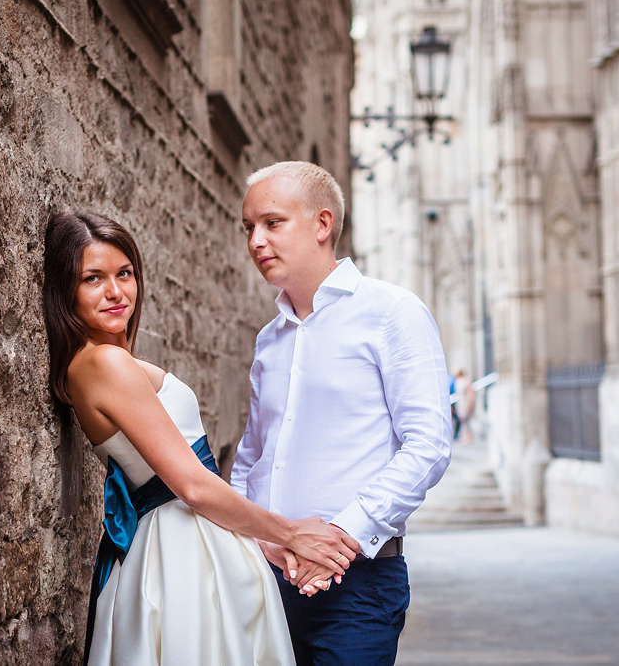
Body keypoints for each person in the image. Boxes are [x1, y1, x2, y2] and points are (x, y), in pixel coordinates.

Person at [42, 211, 361, 665]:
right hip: (181, 551)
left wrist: (258, 538)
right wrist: (290, 534)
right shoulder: (102, 364)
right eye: (93, 278)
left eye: (125, 273)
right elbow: (191, 484)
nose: (116, 292)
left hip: (197, 537)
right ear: (65, 289)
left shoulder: (107, 358)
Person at [232, 162, 452, 665]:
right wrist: (256, 543)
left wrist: (341, 538)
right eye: (248, 228)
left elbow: (428, 445)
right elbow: (251, 457)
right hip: (265, 578)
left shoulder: (393, 312)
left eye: (272, 222)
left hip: (356, 587)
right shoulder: (270, 339)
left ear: (322, 224)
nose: (256, 241)